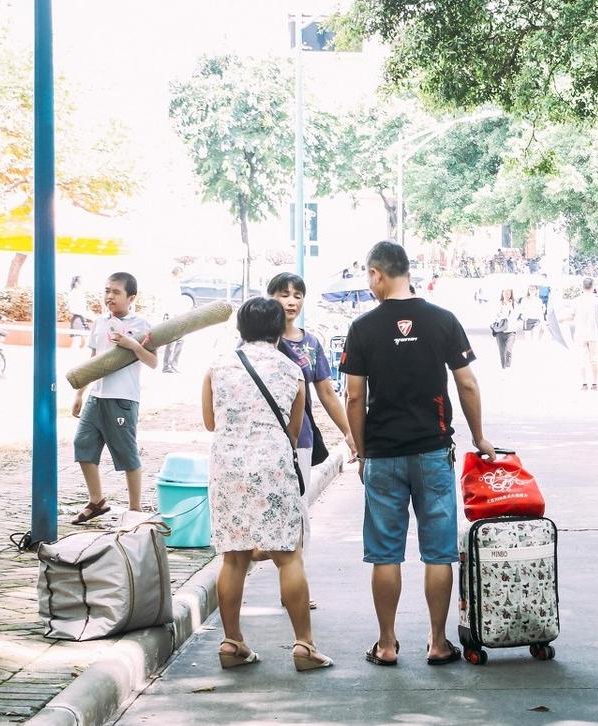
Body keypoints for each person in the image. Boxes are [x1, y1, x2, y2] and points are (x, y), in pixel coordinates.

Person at [341, 241, 496, 668]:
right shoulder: (443, 320)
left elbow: (354, 397)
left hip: (384, 455)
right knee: (439, 551)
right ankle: (438, 642)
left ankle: (386, 644)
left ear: (377, 274)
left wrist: (362, 452)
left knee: (385, 553)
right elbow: (467, 383)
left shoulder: (363, 327)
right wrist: (479, 437)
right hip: (432, 451)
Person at [202, 297, 332, 672]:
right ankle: (304, 646)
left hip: (227, 468)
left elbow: (210, 422)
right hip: (273, 467)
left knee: (233, 557)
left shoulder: (217, 367)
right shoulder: (292, 371)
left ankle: (232, 642)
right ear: (278, 331)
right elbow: (294, 430)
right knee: (287, 555)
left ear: (240, 329)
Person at [268, 273, 358, 608]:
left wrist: (349, 433)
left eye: (297, 295)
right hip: (261, 441)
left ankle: (294, 589)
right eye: (284, 294)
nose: (291, 301)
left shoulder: (311, 344)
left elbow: (327, 394)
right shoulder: (256, 341)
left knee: (297, 512)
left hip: (300, 441)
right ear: (269, 297)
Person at [70, 273, 156, 524]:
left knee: (127, 454)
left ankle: (135, 510)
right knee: (82, 445)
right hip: (96, 396)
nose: (109, 296)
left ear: (131, 298)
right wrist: (80, 393)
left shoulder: (142, 325)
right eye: (107, 291)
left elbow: (153, 362)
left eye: (116, 292)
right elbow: (93, 360)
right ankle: (97, 501)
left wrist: (134, 345)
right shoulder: (99, 322)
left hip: (123, 400)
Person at [570, 277, 598, 390]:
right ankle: (594, 383)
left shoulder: (576, 300)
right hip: (594, 332)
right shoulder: (597, 300)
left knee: (582, 359)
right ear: (593, 286)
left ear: (582, 287)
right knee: (594, 359)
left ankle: (584, 384)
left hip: (580, 333)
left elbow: (571, 315)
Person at [160, 267, 186, 373]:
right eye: (178, 277)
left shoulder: (177, 286)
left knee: (180, 340)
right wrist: (167, 316)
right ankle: (166, 366)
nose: (179, 279)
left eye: (181, 277)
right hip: (170, 317)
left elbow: (177, 303)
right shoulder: (169, 286)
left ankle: (174, 365)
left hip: (177, 316)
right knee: (171, 342)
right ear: (173, 275)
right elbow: (167, 303)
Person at [492, 288, 520, 369]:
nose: (507, 294)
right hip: (500, 331)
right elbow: (495, 317)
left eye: (509, 292)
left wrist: (510, 307)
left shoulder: (515, 304)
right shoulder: (498, 304)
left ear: (511, 293)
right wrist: (503, 312)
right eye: (505, 292)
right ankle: (503, 368)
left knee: (508, 350)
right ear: (502, 293)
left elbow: (515, 317)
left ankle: (508, 368)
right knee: (502, 352)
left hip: (511, 332)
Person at [67, 275, 91, 350]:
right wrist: (89, 316)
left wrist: (88, 315)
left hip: (82, 318)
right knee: (76, 342)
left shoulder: (80, 293)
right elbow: (72, 309)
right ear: (76, 283)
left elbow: (82, 308)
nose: (83, 284)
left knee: (87, 342)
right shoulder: (73, 293)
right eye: (82, 282)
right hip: (77, 319)